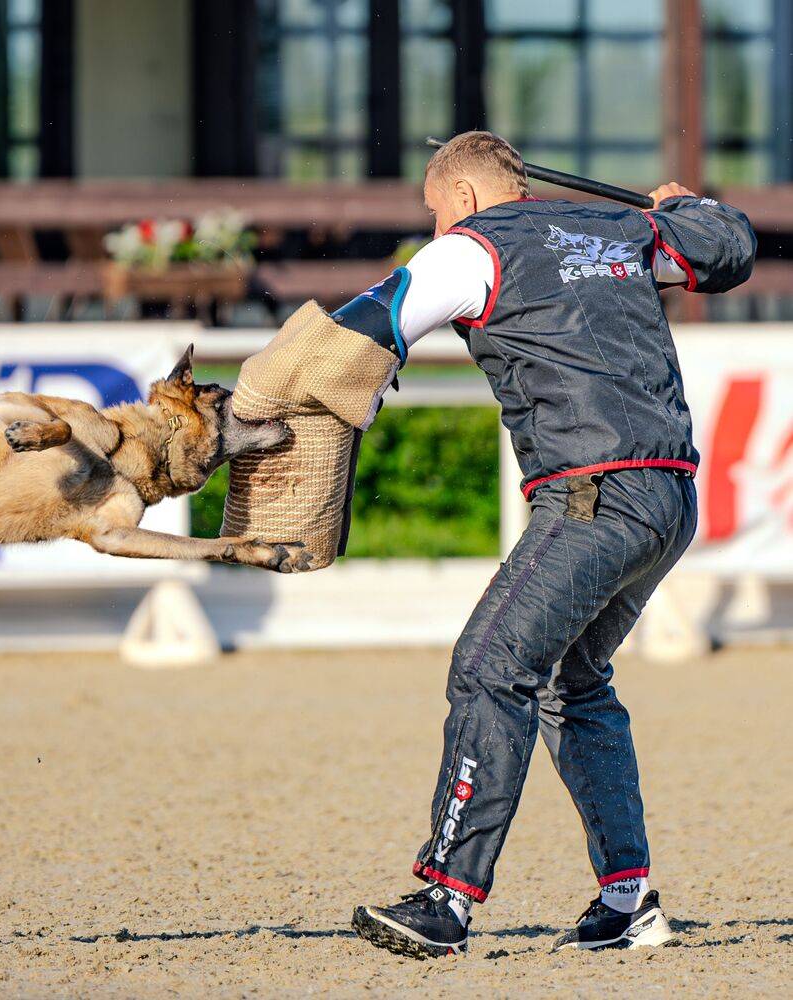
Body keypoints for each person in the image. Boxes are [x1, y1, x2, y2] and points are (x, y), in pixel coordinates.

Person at [328, 131, 756, 959]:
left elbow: (366, 324)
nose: (436, 223)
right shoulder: (621, 234)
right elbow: (731, 247)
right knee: (573, 682)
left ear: (464, 196)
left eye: (435, 209)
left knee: (491, 668)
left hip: (591, 496)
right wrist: (684, 208)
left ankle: (446, 901)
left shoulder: (468, 250)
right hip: (668, 496)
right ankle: (626, 903)